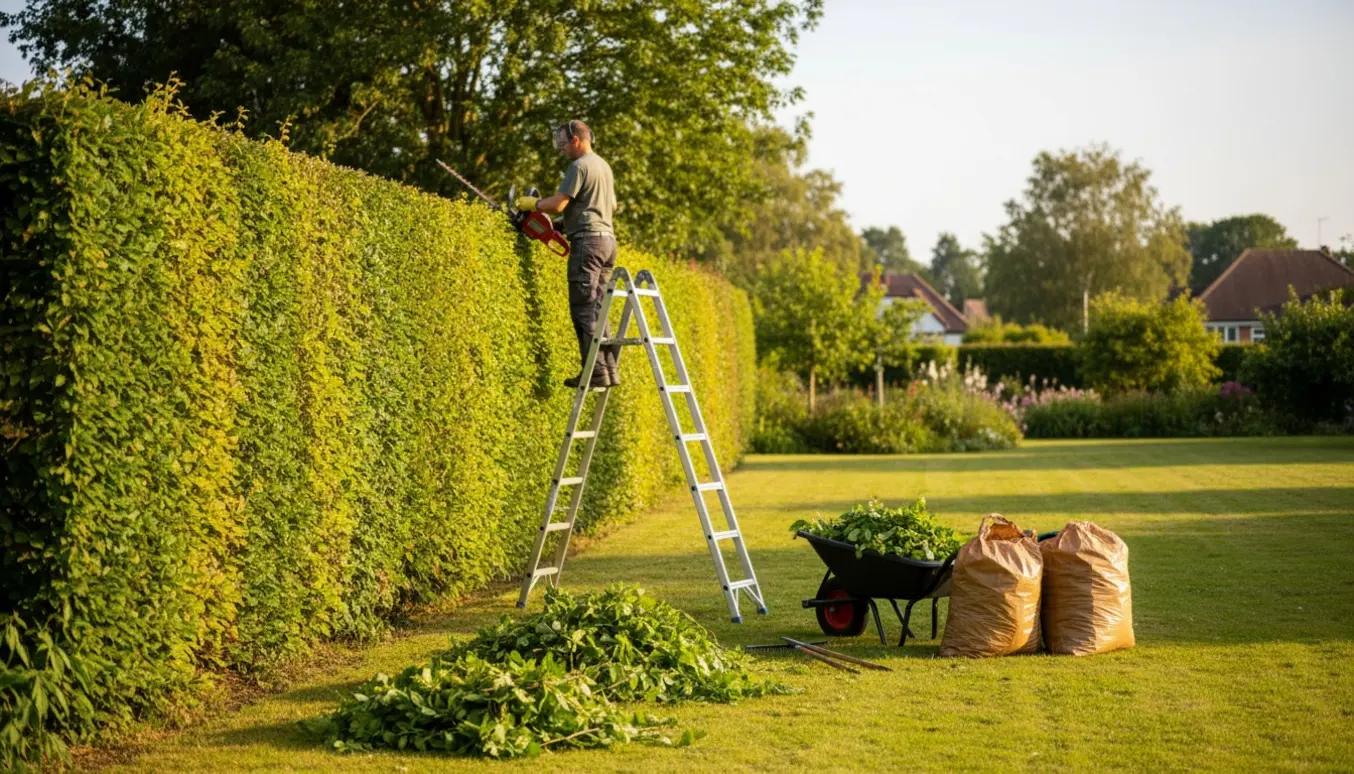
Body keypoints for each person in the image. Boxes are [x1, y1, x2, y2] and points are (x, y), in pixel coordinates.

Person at [514, 119, 619, 390]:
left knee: (583, 309)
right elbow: (611, 206)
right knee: (598, 307)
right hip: (608, 242)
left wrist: (534, 204)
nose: (561, 150)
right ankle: (608, 372)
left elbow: (559, 203)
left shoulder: (579, 166)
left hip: (588, 244)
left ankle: (594, 373)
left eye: (562, 144)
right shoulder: (603, 166)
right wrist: (567, 225)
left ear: (576, 140)